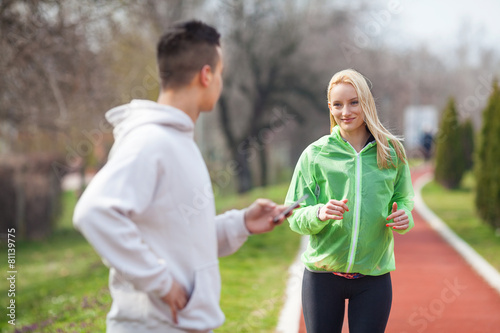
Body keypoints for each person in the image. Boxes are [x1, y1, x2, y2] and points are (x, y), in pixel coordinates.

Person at [73, 20, 291, 333]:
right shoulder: (150, 141)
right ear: (206, 75)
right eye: (220, 73)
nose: (220, 82)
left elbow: (180, 237)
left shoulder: (178, 142)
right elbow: (93, 212)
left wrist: (241, 223)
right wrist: (160, 281)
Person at [285, 69, 415, 333]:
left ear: (366, 102)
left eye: (354, 102)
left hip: (373, 277)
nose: (346, 111)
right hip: (323, 277)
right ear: (329, 108)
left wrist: (404, 216)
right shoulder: (316, 154)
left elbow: (403, 198)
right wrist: (319, 213)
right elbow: (294, 214)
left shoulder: (390, 152)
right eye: (338, 104)